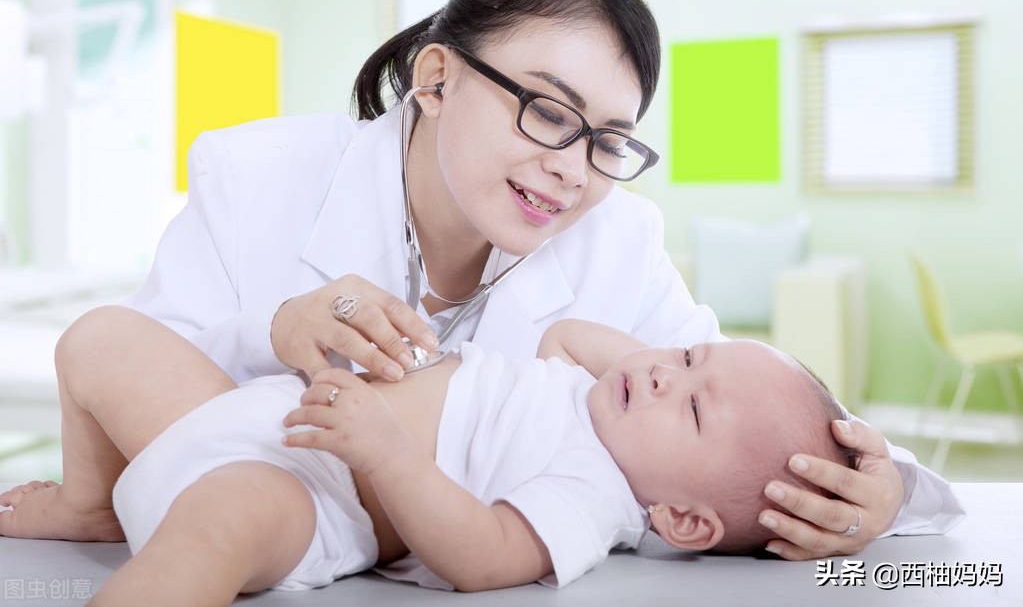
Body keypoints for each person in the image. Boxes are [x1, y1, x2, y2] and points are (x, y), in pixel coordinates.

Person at [120, 0, 959, 558]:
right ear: (438, 77)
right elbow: (139, 383)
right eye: (549, 111)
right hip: (225, 524)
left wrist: (879, 495)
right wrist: (275, 331)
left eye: (606, 140)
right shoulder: (256, 172)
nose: (569, 170)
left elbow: (749, 413)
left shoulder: (619, 239)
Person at [2, 307, 864, 603]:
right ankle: (92, 500)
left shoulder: (597, 494)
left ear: (681, 518)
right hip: (245, 416)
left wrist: (388, 457)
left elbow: (484, 558)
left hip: (308, 496)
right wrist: (667, 377)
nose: (662, 373)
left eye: (695, 406)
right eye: (683, 358)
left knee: (215, 524)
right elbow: (572, 333)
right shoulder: (586, 394)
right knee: (98, 337)